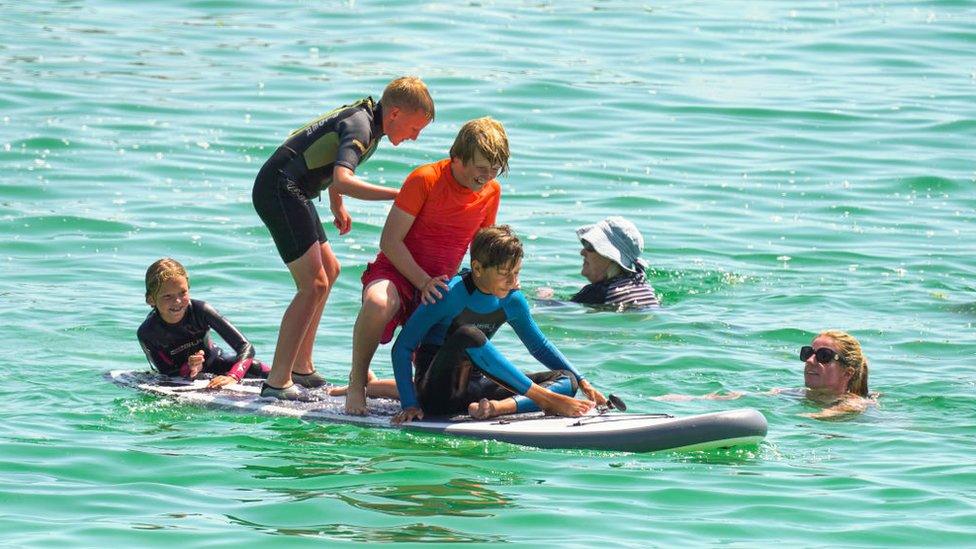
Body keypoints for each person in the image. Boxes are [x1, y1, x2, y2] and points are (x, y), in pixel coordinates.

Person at [252, 76, 435, 400]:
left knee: (330, 270)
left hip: (294, 190)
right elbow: (343, 177)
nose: (414, 137)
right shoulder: (362, 126)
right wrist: (400, 195)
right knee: (313, 284)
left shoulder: (368, 122)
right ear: (394, 113)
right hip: (280, 189)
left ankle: (301, 367)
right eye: (414, 128)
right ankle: (277, 382)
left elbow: (337, 172)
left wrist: (337, 205)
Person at [343, 117, 510, 415]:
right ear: (457, 157)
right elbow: (390, 241)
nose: (488, 176)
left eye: (495, 169)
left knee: (430, 387)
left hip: (441, 285)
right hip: (398, 272)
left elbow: (482, 250)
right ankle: (356, 385)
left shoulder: (491, 191)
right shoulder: (425, 179)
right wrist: (422, 282)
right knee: (379, 302)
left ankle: (375, 385)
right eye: (482, 168)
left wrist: (502, 280)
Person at [389, 225, 607, 424]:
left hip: (475, 390)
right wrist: (409, 403)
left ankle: (498, 408)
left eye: (516, 273)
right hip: (436, 394)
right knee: (468, 334)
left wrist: (583, 381)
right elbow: (402, 348)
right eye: (505, 274)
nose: (513, 282)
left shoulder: (513, 300)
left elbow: (539, 346)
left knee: (566, 380)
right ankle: (544, 398)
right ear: (477, 268)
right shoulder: (447, 294)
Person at [654, 330, 874, 420]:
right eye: (808, 353)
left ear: (848, 372)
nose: (810, 360)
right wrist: (691, 400)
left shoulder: (853, 404)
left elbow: (827, 415)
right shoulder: (796, 394)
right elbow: (744, 395)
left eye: (823, 356)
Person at [137, 258, 271, 389]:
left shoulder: (201, 310)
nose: (177, 301)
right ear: (151, 300)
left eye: (182, 293)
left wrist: (233, 376)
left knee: (256, 366)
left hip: (216, 362)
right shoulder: (148, 332)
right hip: (182, 375)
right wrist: (191, 368)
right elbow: (166, 373)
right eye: (168, 296)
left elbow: (245, 347)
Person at [570, 216, 659, 309]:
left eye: (590, 246)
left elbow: (562, 314)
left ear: (610, 257)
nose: (582, 252)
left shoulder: (597, 292)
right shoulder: (643, 286)